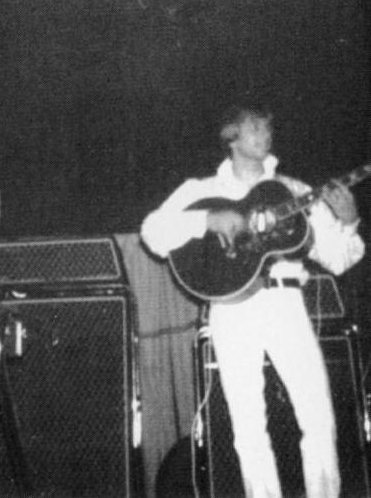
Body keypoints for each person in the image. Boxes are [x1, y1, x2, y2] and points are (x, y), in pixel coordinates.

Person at [140, 104, 365, 498]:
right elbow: (152, 232)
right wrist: (206, 221)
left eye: (268, 127)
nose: (265, 134)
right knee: (248, 427)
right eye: (254, 127)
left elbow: (338, 259)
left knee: (318, 415)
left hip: (286, 305)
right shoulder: (201, 191)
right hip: (231, 310)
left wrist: (348, 222)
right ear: (231, 136)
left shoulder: (295, 191)